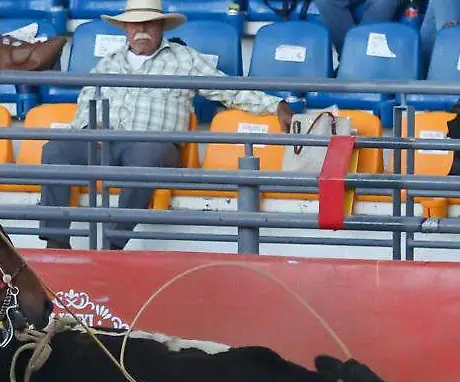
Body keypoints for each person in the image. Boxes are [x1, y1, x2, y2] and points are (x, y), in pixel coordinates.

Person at [38, 0, 294, 250]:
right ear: (126, 28)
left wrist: (275, 105)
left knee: (144, 158)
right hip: (104, 141)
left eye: (149, 23)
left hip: (152, 145)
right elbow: (86, 103)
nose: (141, 29)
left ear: (161, 27)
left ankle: (111, 245)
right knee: (55, 149)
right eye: (135, 24)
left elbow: (228, 89)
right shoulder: (109, 62)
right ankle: (56, 241)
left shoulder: (184, 59)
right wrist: (88, 129)